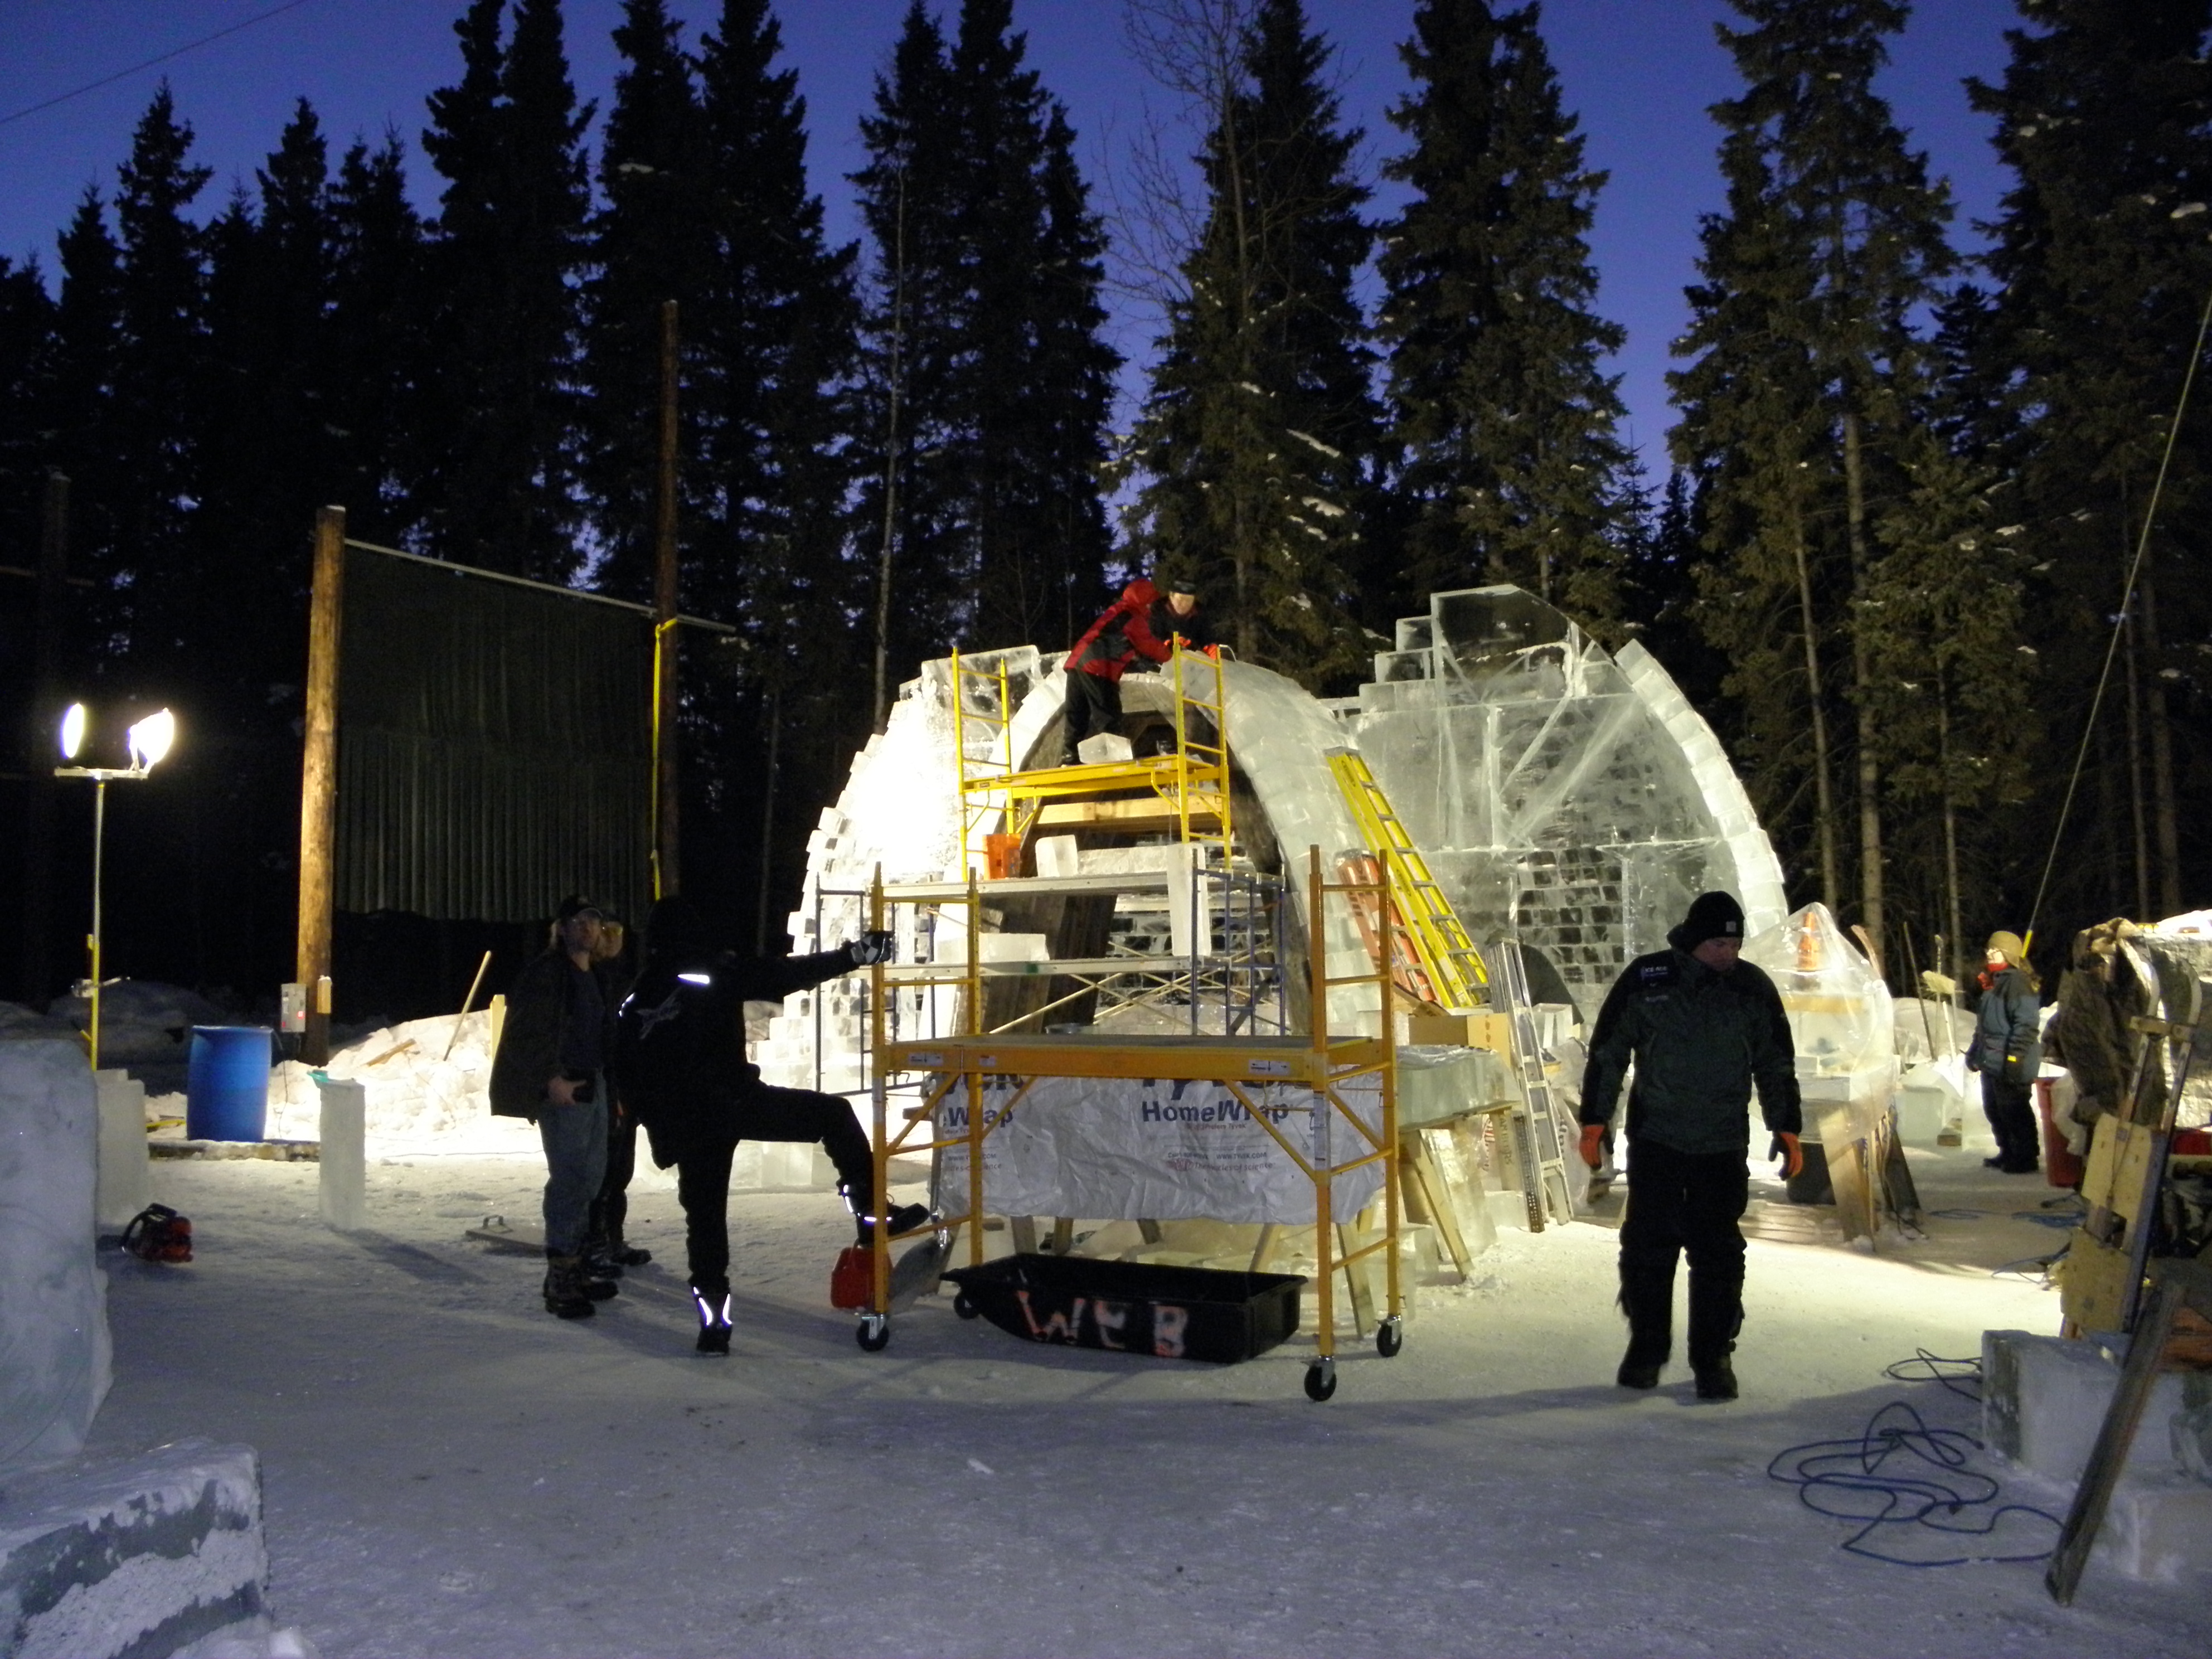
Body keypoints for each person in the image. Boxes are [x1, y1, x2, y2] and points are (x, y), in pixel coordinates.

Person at [613, 895, 930, 1354]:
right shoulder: (709, 973)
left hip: (688, 1124)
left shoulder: (638, 993)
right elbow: (782, 974)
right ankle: (868, 1211)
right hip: (733, 1103)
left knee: (704, 1223)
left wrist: (656, 1126)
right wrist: (852, 956)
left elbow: (627, 1070)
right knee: (832, 1115)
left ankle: (714, 1324)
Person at [1576, 891, 1802, 1401]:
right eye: (1720, 943)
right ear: (1697, 940)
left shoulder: (1751, 988)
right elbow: (1609, 1052)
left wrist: (1786, 1126)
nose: (1729, 953)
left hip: (1721, 1144)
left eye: (1735, 943)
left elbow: (1775, 1062)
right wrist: (1596, 1120)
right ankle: (1647, 1348)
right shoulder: (1649, 979)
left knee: (1719, 1253)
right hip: (1659, 1139)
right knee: (1648, 1248)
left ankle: (1713, 1356)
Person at [488, 895, 619, 1320]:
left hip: (595, 1085)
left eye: (593, 921)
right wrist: (552, 1080)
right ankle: (560, 1278)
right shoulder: (547, 974)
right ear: (561, 928)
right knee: (570, 1181)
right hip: (564, 1089)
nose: (587, 928)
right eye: (578, 921)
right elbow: (524, 1033)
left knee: (593, 1178)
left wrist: (613, 1091)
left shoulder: (595, 975)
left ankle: (578, 1268)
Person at [1059, 575, 1202, 766]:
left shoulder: (1117, 612)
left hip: (1077, 663)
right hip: (1100, 666)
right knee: (1108, 713)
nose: (1152, 608)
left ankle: (1069, 757)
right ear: (1145, 601)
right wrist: (1172, 654)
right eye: (1151, 603)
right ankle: (1116, 760)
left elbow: (1124, 644)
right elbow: (1148, 645)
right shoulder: (1133, 617)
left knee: (1077, 713)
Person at [583, 917, 651, 1277]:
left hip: (624, 1087)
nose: (613, 941)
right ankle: (593, 1245)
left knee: (620, 1172)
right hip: (605, 1088)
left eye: (618, 933)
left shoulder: (624, 978)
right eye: (606, 934)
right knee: (602, 1173)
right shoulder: (590, 978)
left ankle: (613, 1240)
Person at [1972, 930, 2043, 1175]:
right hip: (1991, 1059)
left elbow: (2026, 1024)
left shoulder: (2017, 982)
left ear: (2009, 954)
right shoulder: (1995, 982)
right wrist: (1975, 1052)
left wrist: (2015, 1058)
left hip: (2011, 1059)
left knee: (2014, 1109)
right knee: (1994, 1109)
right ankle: (2008, 1151)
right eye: (1989, 949)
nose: (1990, 954)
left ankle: (2026, 1156)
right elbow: (1984, 1026)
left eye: (1996, 950)